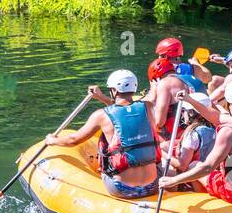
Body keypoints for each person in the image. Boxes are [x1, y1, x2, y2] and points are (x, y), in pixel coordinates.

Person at [47, 70, 161, 199]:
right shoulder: (148, 107)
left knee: (105, 142)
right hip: (152, 186)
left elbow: (74, 140)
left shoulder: (100, 116)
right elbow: (124, 113)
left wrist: (52, 140)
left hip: (122, 189)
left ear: (114, 90)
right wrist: (101, 98)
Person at [159, 79, 232, 203]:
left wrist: (174, 180)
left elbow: (208, 167)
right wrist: (189, 99)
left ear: (227, 101)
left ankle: (198, 197)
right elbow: (216, 117)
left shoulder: (228, 132)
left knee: (193, 165)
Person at [165, 92, 218, 189]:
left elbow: (182, 166)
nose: (183, 114)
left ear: (191, 113)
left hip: (198, 182)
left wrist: (162, 154)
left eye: (184, 111)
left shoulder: (193, 134)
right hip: (211, 176)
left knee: (162, 167)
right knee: (164, 146)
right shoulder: (215, 127)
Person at [148, 56, 202, 144]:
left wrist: (153, 91)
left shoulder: (165, 83)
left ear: (156, 78)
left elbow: (159, 122)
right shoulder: (193, 79)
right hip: (204, 131)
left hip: (186, 137)